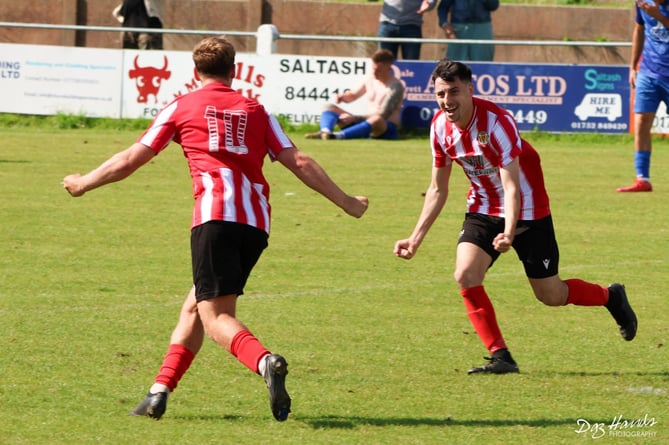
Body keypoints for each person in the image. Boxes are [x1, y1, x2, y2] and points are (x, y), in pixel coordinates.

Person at [63, 36, 369, 421]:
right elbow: (299, 160)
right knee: (196, 304)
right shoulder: (255, 110)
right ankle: (159, 392)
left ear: (195, 72)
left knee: (216, 315)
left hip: (214, 217)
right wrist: (347, 202)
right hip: (256, 224)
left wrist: (83, 183)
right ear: (234, 70)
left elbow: (129, 159)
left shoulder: (181, 106)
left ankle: (264, 362)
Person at [393, 59, 637, 374]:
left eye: (453, 92)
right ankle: (501, 357)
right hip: (482, 206)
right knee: (465, 275)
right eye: (440, 94)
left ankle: (610, 297)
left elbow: (513, 187)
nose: (447, 101)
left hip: (529, 209)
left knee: (551, 295)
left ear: (470, 89)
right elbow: (438, 189)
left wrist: (509, 232)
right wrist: (415, 238)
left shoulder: (497, 122)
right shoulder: (439, 127)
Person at [617, 0, 669, 192]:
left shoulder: (655, 9)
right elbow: (639, 30)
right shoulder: (642, 3)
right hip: (648, 72)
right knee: (641, 122)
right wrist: (632, 67)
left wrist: (660, 17)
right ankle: (642, 179)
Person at [304, 49, 405, 141]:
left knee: (376, 119)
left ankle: (337, 136)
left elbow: (383, 114)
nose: (374, 72)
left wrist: (355, 118)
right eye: (373, 68)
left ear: (388, 68)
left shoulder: (395, 87)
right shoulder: (370, 78)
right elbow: (353, 95)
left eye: (378, 70)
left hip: (384, 128)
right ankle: (325, 132)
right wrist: (343, 97)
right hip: (364, 122)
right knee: (329, 108)